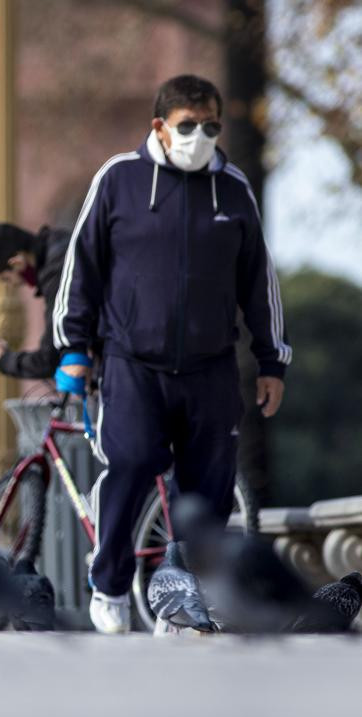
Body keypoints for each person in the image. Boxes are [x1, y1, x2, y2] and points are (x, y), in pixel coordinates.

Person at [52, 74, 290, 634]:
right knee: (132, 461)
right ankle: (109, 580)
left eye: (211, 126)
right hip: (134, 362)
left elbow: (259, 282)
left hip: (211, 368)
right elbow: (81, 266)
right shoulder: (119, 179)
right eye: (188, 126)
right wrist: (73, 348)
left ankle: (185, 600)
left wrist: (272, 360)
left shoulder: (233, 190)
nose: (200, 136)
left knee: (206, 491)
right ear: (159, 126)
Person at [0, 222, 71, 379]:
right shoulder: (60, 244)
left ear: (17, 263)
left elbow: (47, 360)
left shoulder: (56, 273)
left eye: (5, 279)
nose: (12, 285)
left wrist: (1, 359)